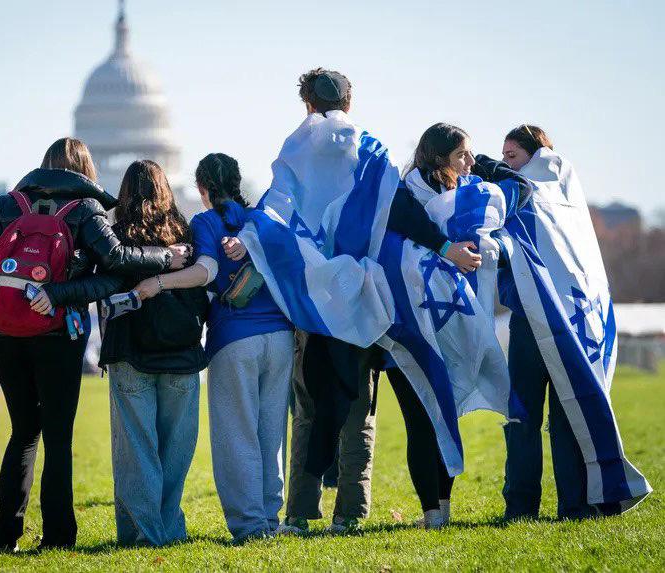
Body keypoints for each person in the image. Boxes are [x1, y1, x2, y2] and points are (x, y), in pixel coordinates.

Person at [0, 138, 188, 551]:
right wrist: (164, 258)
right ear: (85, 169)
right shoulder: (85, 210)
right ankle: (57, 536)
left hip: (6, 333)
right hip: (58, 333)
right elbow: (118, 261)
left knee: (22, 433)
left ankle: (4, 534)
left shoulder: (6, 205)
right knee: (57, 437)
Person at [277, 70, 481, 537]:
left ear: (307, 104)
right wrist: (444, 247)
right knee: (362, 413)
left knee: (319, 407)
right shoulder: (367, 150)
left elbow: (279, 220)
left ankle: (299, 515)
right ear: (350, 102)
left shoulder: (293, 154)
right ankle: (350, 512)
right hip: (377, 299)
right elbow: (400, 207)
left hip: (324, 302)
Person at [134, 153, 294, 543]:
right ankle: (271, 518)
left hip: (235, 339)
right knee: (271, 434)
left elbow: (206, 271)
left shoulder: (206, 221)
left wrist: (159, 282)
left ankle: (250, 525)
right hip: (280, 337)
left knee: (236, 435)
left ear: (203, 189)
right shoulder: (261, 218)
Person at [498, 125, 651, 520]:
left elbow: (521, 193)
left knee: (532, 415)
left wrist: (485, 168)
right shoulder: (566, 195)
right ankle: (568, 504)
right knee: (544, 416)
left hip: (542, 320)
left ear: (533, 155)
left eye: (512, 156)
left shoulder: (538, 187)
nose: (504, 163)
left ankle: (530, 506)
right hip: (559, 321)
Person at [390, 122, 532, 528]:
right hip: (410, 323)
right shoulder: (404, 194)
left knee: (444, 413)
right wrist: (443, 248)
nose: (471, 162)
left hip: (456, 324)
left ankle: (444, 508)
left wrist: (484, 161)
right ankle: (431, 511)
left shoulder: (471, 192)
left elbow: (520, 189)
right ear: (438, 160)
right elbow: (404, 223)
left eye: (471, 155)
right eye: (462, 156)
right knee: (420, 415)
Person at [94, 160, 206, 547]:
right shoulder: (185, 234)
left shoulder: (114, 237)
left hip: (132, 354)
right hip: (182, 355)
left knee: (136, 451)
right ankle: (166, 528)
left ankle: (145, 532)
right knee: (175, 453)